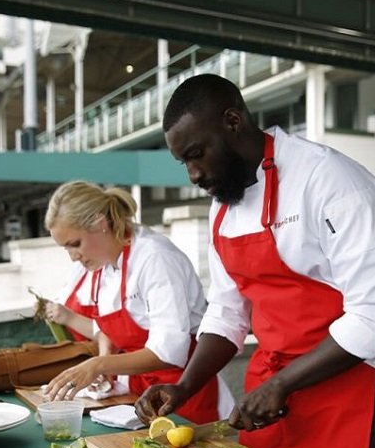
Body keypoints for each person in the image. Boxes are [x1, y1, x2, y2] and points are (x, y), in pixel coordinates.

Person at [135, 74, 375, 448]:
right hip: (271, 398)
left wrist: (282, 383)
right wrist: (185, 387)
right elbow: (227, 311)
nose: (194, 174)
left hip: (349, 397)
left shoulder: (332, 181)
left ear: (232, 121)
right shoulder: (223, 204)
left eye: (196, 154)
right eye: (183, 163)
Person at [42, 180, 233, 424]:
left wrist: (99, 365)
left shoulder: (155, 258)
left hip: (181, 394)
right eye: (65, 248)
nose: (72, 257)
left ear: (100, 224)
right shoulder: (105, 261)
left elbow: (168, 352)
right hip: (138, 394)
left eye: (75, 244)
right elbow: (107, 329)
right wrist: (103, 366)